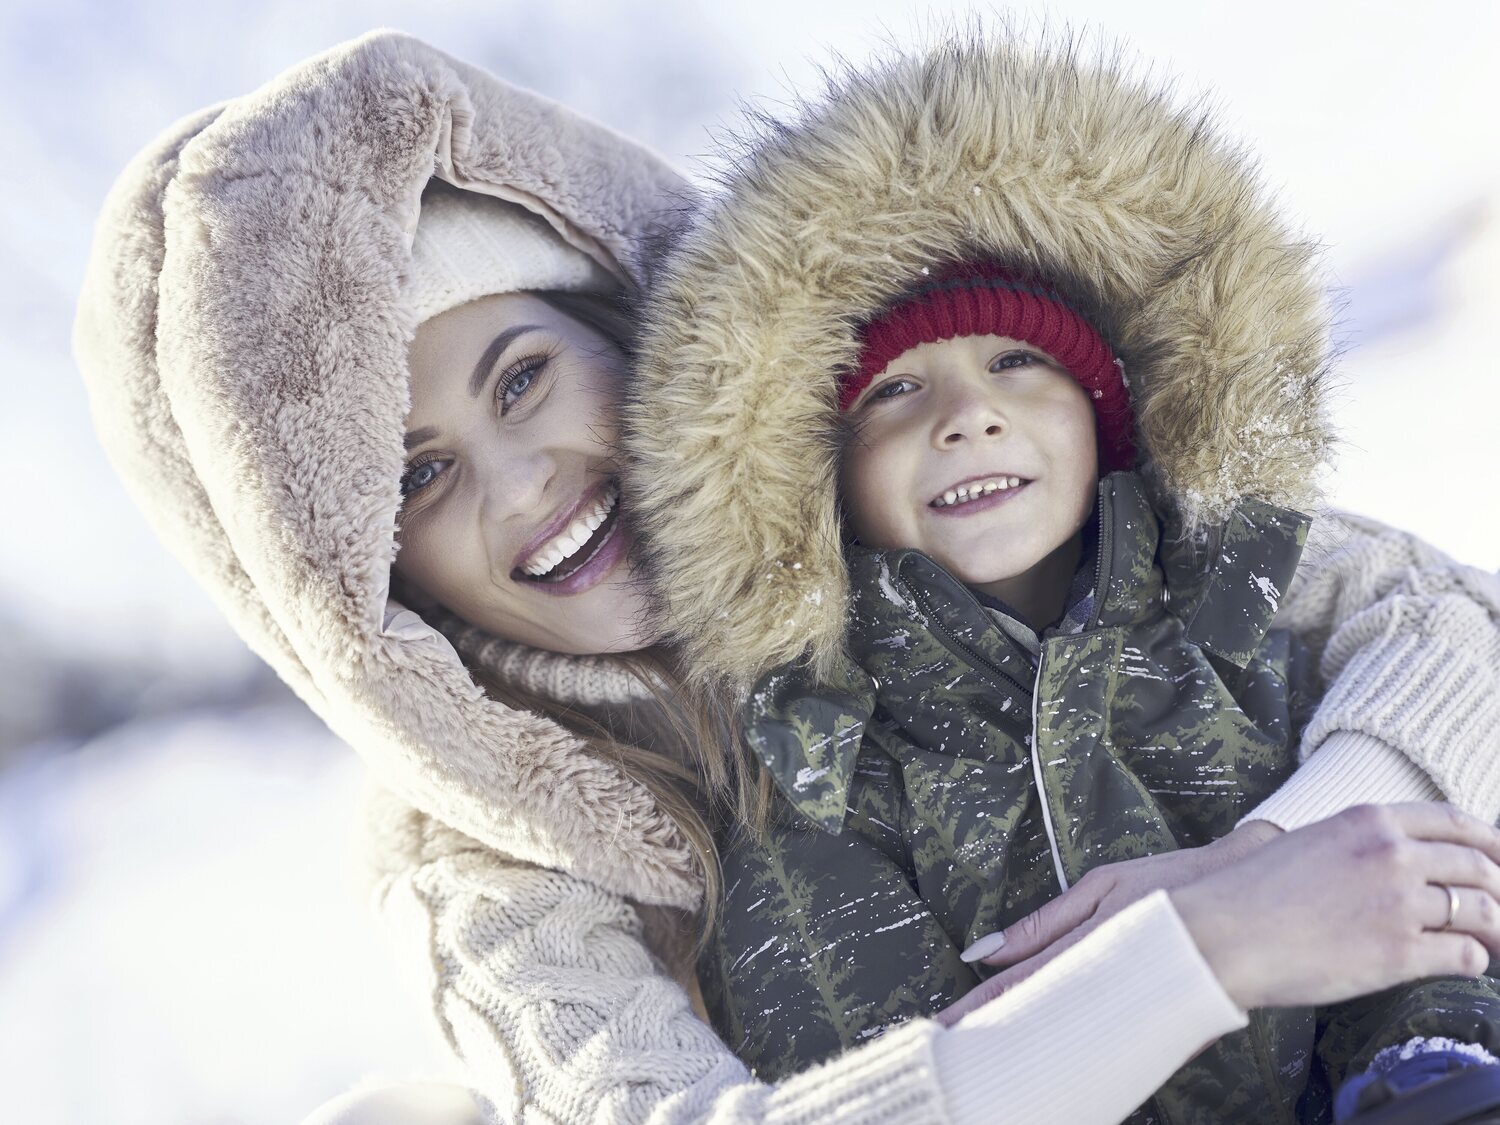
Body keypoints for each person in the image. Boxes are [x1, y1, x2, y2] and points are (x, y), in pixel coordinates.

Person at [73, 29, 1500, 1125]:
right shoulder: (483, 864)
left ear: (634, 335)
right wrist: (1193, 954)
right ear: (356, 576)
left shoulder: (909, 486)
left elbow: (1440, 626)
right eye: (414, 474)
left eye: (525, 379)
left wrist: (1279, 857)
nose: (524, 485)